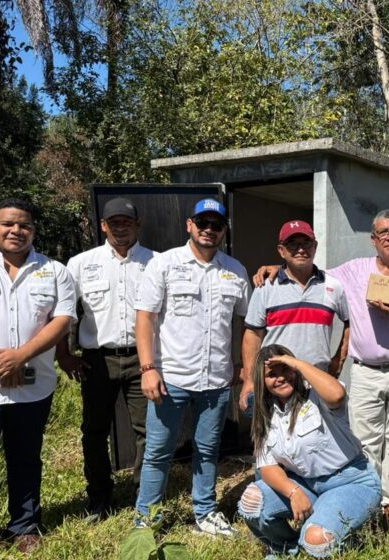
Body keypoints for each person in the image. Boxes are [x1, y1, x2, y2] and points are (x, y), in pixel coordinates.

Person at [251, 209, 389, 520]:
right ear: (373, 240)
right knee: (364, 440)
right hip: (366, 370)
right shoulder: (353, 271)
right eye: (384, 232)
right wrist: (279, 267)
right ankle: (367, 499)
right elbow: (309, 270)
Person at [0, 199, 76, 554]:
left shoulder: (55, 271)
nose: (16, 231)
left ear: (33, 231)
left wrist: (20, 357)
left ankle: (24, 526)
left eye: (24, 225)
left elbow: (62, 320)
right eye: (8, 224)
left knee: (26, 459)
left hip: (32, 388)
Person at [134, 198, 250, 537]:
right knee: (158, 451)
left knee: (208, 449)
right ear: (189, 225)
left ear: (224, 230)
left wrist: (242, 366)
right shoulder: (165, 264)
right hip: (171, 378)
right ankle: (147, 519)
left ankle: (205, 512)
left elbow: (245, 322)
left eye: (216, 224)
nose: (209, 229)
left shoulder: (235, 270)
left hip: (215, 380)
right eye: (203, 222)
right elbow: (144, 317)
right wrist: (147, 368)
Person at [56, 197, 156, 520]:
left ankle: (145, 495)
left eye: (127, 222)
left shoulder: (157, 263)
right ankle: (99, 497)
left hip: (143, 360)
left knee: (147, 430)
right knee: (94, 431)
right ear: (103, 226)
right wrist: (65, 354)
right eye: (114, 222)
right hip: (97, 360)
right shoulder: (81, 264)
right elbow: (66, 314)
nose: (121, 227)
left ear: (137, 225)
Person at [238, 344, 381, 558]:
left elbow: (337, 395)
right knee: (252, 501)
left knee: (316, 540)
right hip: (306, 484)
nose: (281, 378)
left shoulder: (316, 396)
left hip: (350, 481)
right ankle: (285, 549)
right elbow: (267, 466)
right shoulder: (266, 413)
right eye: (272, 374)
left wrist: (295, 362)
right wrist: (293, 492)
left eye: (285, 369)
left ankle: (352, 543)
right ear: (263, 382)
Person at [239, 220, 349, 414]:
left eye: (306, 243)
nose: (300, 249)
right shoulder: (266, 287)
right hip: (275, 384)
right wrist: (249, 380)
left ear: (315, 247)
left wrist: (337, 361)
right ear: (281, 251)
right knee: (273, 442)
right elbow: (252, 336)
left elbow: (350, 323)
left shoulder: (333, 286)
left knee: (317, 442)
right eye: (293, 244)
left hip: (315, 385)